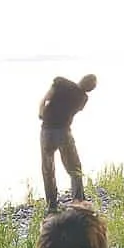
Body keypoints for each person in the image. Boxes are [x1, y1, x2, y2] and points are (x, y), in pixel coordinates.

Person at [39, 74, 97, 213]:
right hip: (63, 133)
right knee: (74, 168)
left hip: (46, 131)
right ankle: (78, 200)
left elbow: (45, 99)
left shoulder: (61, 83)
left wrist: (41, 113)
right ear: (90, 88)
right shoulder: (83, 99)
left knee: (48, 170)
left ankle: (52, 205)